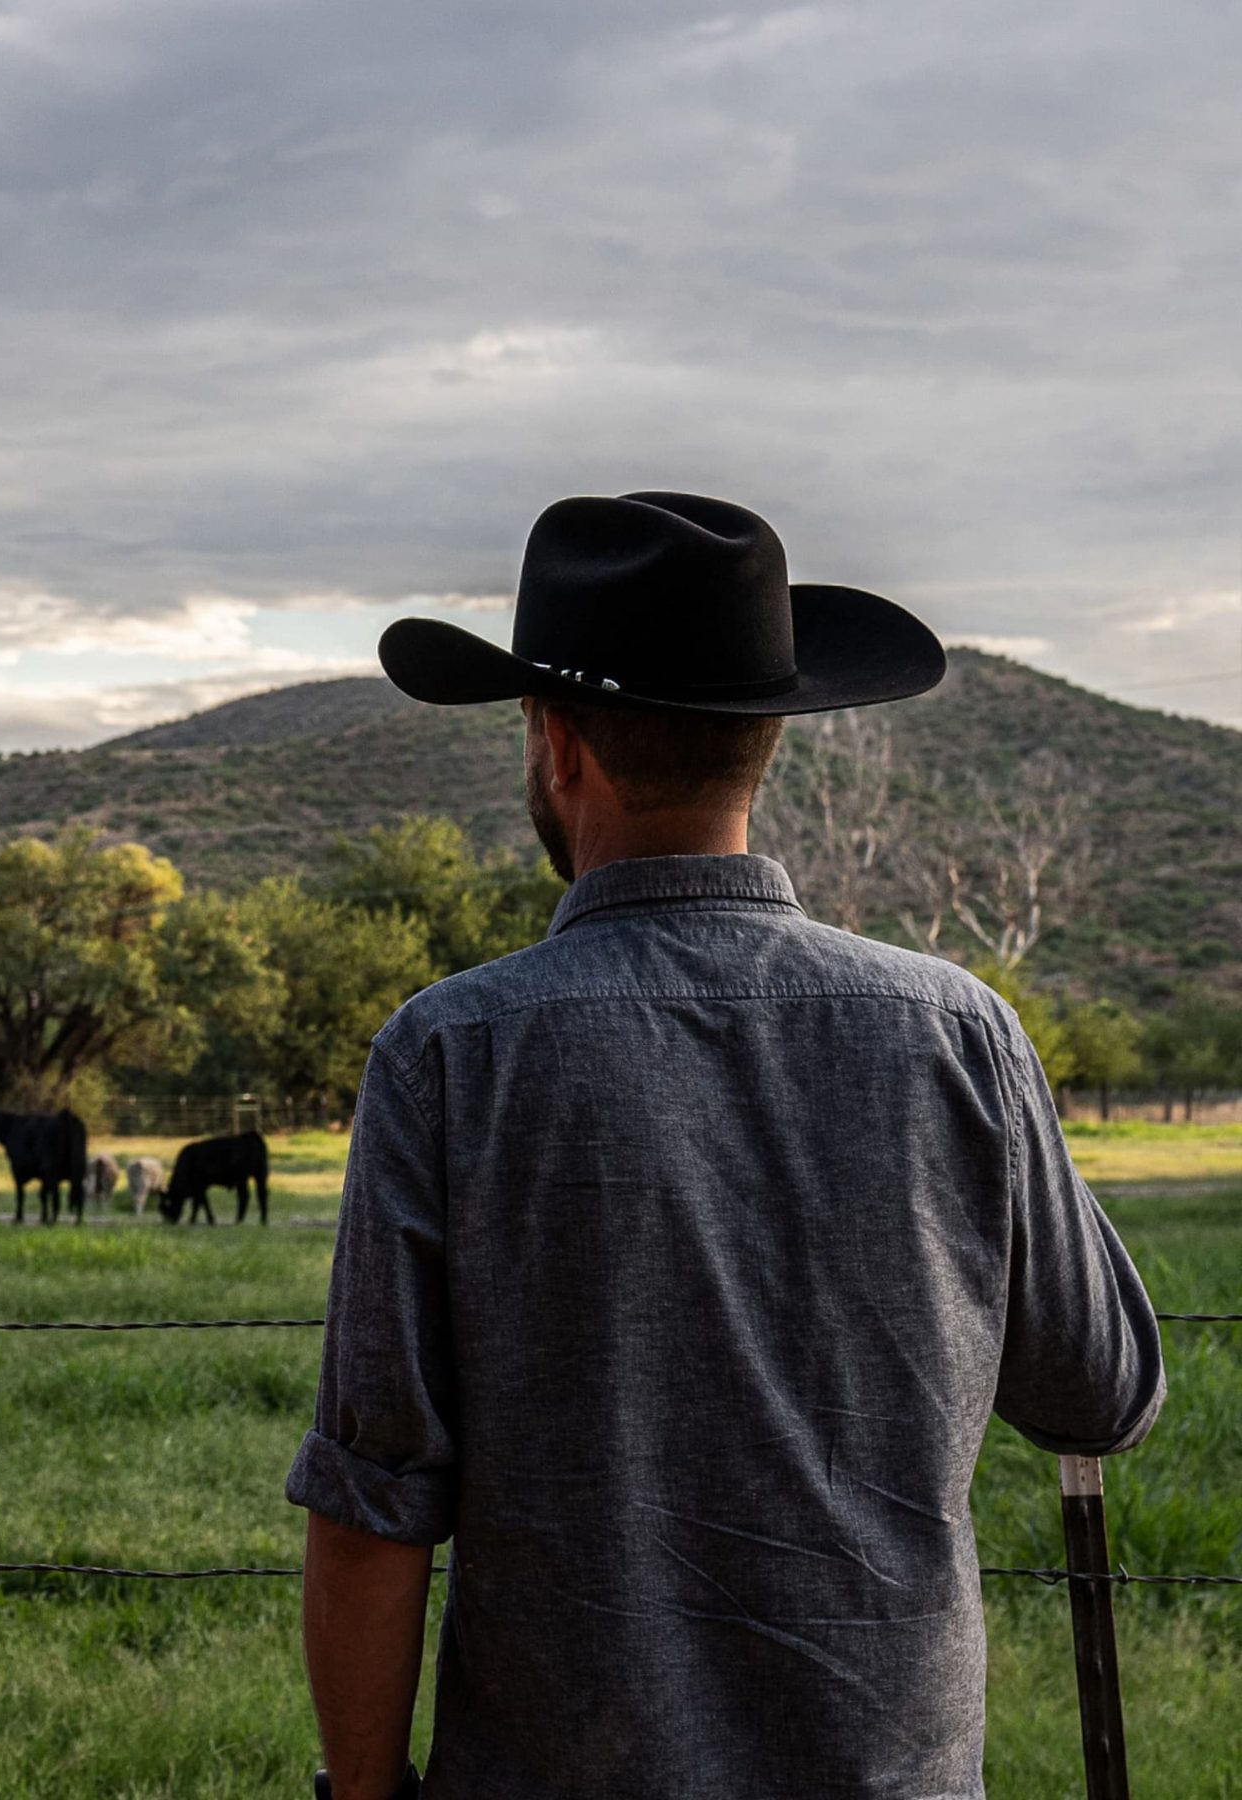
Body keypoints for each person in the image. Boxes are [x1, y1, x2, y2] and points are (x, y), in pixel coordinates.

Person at [287, 493, 1165, 1800]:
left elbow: (374, 1513)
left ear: (557, 743)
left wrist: (363, 1795)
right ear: (768, 748)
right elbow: (1103, 1392)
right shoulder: (958, 1033)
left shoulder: (448, 1054)